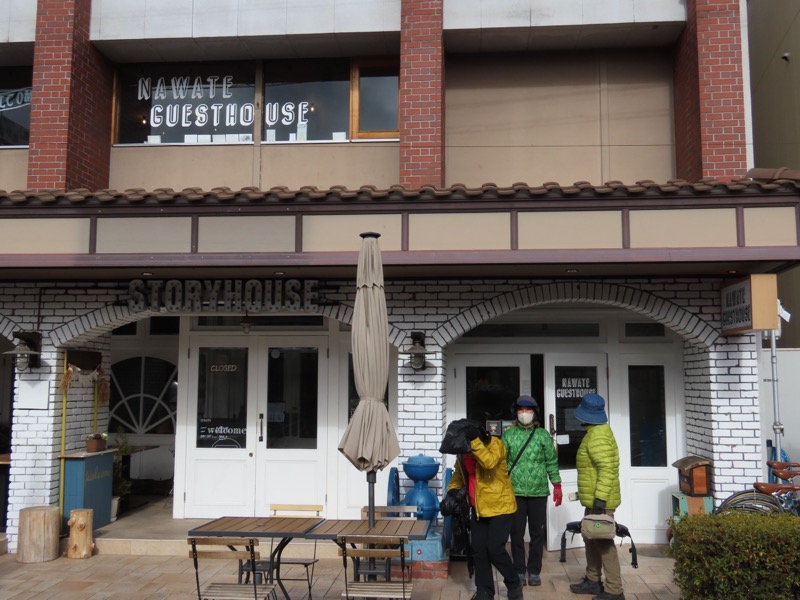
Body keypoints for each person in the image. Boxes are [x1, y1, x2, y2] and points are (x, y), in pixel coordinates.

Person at [445, 420, 523, 600]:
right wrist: (452, 492)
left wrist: (474, 441)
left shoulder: (495, 444)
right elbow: (458, 476)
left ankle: (513, 583)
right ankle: (485, 591)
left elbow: (489, 462)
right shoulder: (463, 453)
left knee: (495, 550)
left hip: (500, 507)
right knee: (478, 551)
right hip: (479, 509)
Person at [502, 395, 562, 586]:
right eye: (521, 409)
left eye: (528, 410)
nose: (524, 413)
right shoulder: (509, 435)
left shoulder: (542, 435)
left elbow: (551, 461)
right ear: (516, 412)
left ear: (535, 413)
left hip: (538, 492)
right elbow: (501, 463)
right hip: (515, 492)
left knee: (537, 534)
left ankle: (534, 571)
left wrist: (557, 484)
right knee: (516, 534)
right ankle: (519, 570)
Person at [569, 393, 624, 600]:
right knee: (591, 538)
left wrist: (600, 499)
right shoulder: (596, 432)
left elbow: (607, 469)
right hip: (595, 501)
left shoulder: (597, 437)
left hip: (601, 502)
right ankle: (593, 581)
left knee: (603, 543)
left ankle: (614, 590)